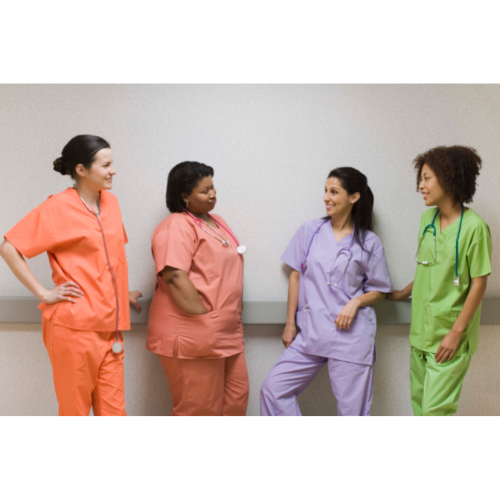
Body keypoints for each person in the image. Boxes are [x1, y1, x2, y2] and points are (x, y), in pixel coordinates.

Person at [0, 135, 142, 416]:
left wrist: (120, 293)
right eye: (106, 164)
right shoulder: (57, 207)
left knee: (115, 415)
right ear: (81, 169)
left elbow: (108, 258)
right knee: (74, 414)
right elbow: (9, 247)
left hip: (110, 329)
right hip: (74, 329)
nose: (113, 170)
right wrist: (44, 293)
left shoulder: (111, 202)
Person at [260, 167, 392, 416]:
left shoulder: (369, 241)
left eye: (334, 192)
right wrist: (290, 323)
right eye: (325, 191)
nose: (326, 198)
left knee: (352, 413)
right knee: (273, 389)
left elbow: (379, 290)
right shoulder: (310, 231)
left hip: (350, 337)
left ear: (353, 197)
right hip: (312, 332)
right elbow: (296, 275)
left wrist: (355, 302)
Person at [387, 146, 491, 416]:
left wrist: (456, 333)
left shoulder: (474, 228)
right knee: (421, 411)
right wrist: (401, 294)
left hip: (448, 338)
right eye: (420, 179)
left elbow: (479, 283)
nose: (420, 186)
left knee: (435, 415)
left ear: (449, 177)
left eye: (426, 178)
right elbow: (427, 268)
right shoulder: (426, 220)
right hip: (421, 334)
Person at [147, 161, 249, 416]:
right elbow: (174, 277)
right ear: (185, 196)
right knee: (200, 411)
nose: (213, 194)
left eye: (212, 187)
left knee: (236, 403)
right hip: (195, 331)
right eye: (204, 191)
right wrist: (205, 319)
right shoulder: (177, 225)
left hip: (227, 331)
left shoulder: (218, 221)